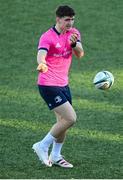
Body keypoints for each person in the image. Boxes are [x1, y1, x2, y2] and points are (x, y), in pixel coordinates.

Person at [32, 5, 84, 168]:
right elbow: (41, 55)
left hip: (63, 84)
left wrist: (75, 44)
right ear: (58, 19)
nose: (70, 23)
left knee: (62, 121)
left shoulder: (74, 34)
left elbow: (80, 54)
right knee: (70, 118)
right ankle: (42, 145)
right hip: (48, 84)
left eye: (72, 19)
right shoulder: (47, 37)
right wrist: (42, 64)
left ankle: (55, 156)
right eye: (67, 19)